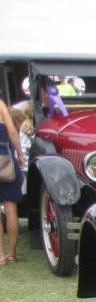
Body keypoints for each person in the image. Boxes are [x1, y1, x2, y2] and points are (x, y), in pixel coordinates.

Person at [0, 99, 26, 265]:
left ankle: (0, 256)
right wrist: (20, 153)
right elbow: (12, 130)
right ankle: (11, 254)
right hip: (7, 160)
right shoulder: (1, 105)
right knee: (11, 209)